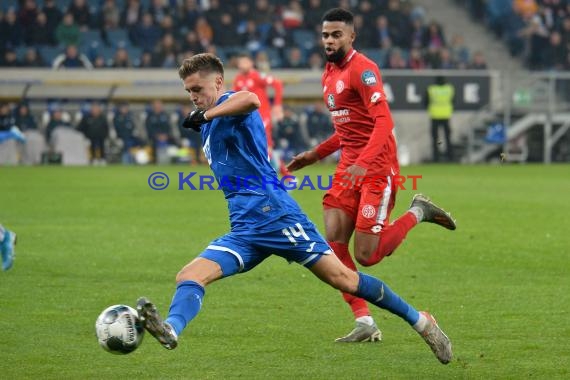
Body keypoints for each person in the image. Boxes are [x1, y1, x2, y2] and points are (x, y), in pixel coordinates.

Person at [136, 53, 452, 365]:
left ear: (218, 82)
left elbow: (251, 100)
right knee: (189, 275)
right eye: (189, 92)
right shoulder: (210, 119)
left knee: (343, 278)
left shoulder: (229, 107)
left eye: (198, 89)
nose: (194, 97)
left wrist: (206, 115)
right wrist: (205, 118)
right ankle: (171, 329)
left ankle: (422, 321)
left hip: (276, 215)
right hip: (245, 227)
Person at [286, 8, 457, 343]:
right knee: (333, 244)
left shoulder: (363, 69)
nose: (330, 40)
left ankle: (418, 211)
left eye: (337, 34)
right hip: (350, 166)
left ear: (351, 36)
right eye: (325, 35)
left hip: (376, 167)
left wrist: (363, 161)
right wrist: (314, 155)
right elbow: (347, 128)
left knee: (368, 255)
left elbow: (383, 123)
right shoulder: (328, 73)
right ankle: (364, 321)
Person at [232, 53, 289, 177]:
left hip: (262, 116)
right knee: (254, 146)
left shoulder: (257, 76)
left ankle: (283, 177)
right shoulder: (238, 79)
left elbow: (278, 84)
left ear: (251, 63)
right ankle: (285, 176)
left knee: (265, 145)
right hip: (247, 118)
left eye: (245, 62)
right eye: (240, 62)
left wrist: (277, 105)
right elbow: (235, 98)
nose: (242, 64)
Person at [425, 75, 454, 162]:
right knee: (447, 137)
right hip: (446, 116)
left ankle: (436, 157)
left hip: (435, 116)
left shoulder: (432, 89)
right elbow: (453, 100)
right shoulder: (449, 89)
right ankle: (450, 157)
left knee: (435, 139)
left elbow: (425, 101)